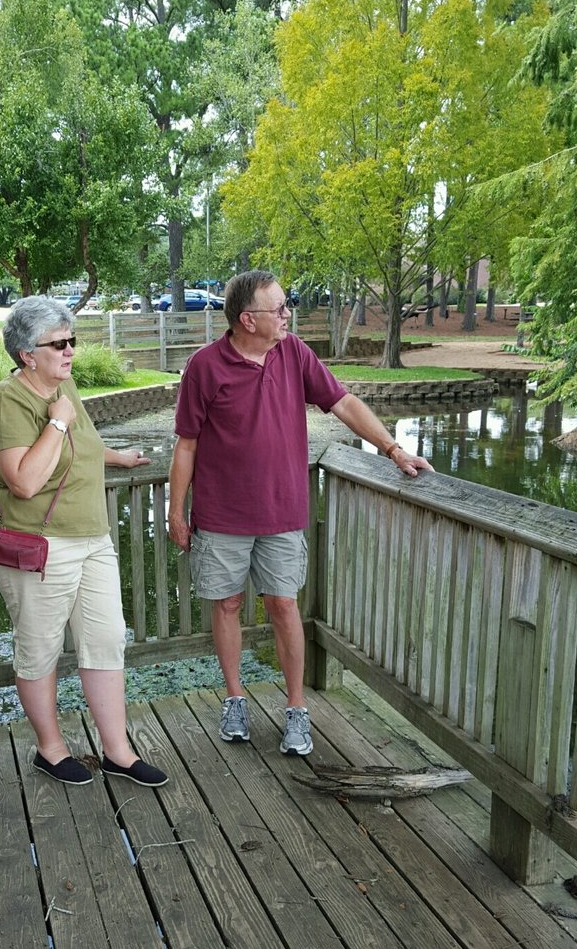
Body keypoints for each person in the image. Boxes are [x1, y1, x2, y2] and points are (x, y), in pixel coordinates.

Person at [168, 269, 434, 754]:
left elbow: (344, 402)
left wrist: (395, 451)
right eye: (280, 308)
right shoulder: (204, 367)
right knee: (226, 605)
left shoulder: (295, 354)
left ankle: (296, 710)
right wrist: (175, 512)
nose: (288, 314)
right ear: (248, 319)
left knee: (284, 605)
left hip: (283, 511)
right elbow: (186, 446)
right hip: (221, 514)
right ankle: (234, 700)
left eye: (286, 305)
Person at [0, 295, 168, 788]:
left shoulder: (65, 387)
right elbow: (22, 479)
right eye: (58, 343)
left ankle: (118, 752)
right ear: (27, 354)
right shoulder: (10, 399)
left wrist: (115, 457)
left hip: (91, 538)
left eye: (72, 341)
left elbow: (77, 447)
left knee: (106, 640)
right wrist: (58, 420)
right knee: (40, 648)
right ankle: (51, 748)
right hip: (37, 543)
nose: (70, 351)